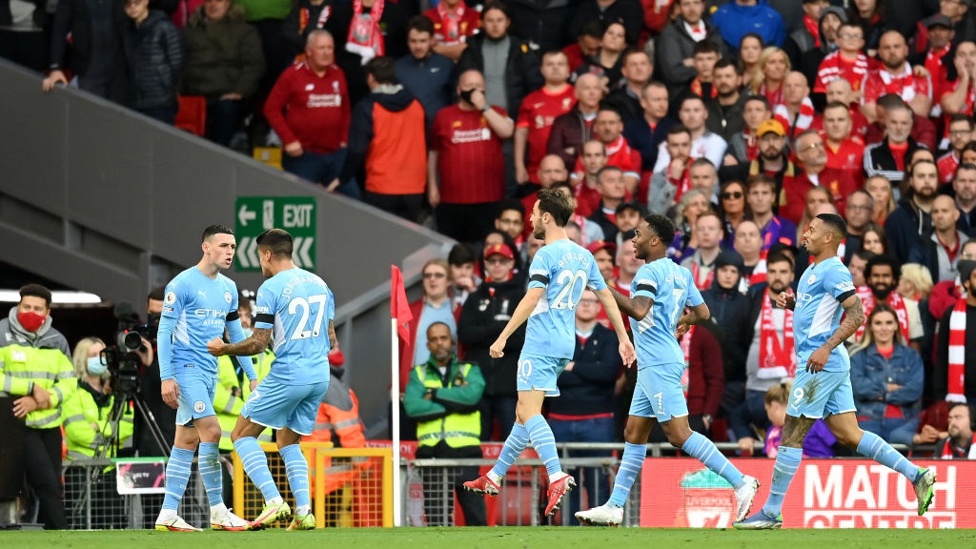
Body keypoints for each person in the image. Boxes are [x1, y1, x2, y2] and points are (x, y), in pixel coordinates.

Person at [734, 213, 936, 529]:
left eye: (812, 229)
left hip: (821, 364)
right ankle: (917, 474)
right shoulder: (812, 269)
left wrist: (825, 347)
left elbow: (856, 314)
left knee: (791, 432)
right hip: (829, 362)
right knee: (848, 433)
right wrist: (794, 305)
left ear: (829, 237)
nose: (806, 233)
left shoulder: (834, 270)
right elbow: (820, 312)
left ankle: (771, 511)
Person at [575, 214, 760, 527]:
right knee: (634, 432)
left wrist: (605, 288)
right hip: (655, 362)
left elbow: (638, 309)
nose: (633, 239)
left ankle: (741, 481)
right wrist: (685, 321)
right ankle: (615, 506)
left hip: (659, 361)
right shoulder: (680, 272)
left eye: (638, 233)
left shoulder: (649, 271)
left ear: (655, 240)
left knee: (679, 434)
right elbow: (703, 312)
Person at [462, 188, 636, 518]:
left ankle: (556, 475)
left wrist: (502, 336)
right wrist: (622, 338)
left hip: (540, 342)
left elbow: (531, 298)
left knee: (529, 413)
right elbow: (607, 297)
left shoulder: (545, 254)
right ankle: (495, 476)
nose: (529, 219)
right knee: (522, 413)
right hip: (564, 343)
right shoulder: (584, 255)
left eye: (533, 213)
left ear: (546, 217)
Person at [207, 228, 336, 530]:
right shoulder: (320, 283)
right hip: (320, 374)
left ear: (266, 254)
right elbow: (331, 337)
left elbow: (258, 343)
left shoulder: (272, 287)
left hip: (290, 372)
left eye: (259, 258)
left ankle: (273, 501)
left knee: (241, 434)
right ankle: (304, 511)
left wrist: (223, 348)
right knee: (288, 439)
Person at [153, 225, 259, 532]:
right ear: (206, 247)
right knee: (211, 432)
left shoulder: (228, 287)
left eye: (233, 247)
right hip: (185, 368)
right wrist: (166, 377)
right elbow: (164, 331)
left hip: (209, 372)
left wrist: (251, 376)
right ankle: (218, 510)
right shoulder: (182, 283)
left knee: (186, 441)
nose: (230, 252)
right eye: (224, 245)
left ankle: (168, 513)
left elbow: (235, 334)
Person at [0, 284, 76, 529]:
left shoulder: (57, 339)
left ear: (47, 311)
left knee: (53, 482)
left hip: (50, 423)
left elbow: (69, 381)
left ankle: (49, 533)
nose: (31, 312)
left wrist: (46, 399)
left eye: (37, 308)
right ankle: (61, 531)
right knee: (44, 481)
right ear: (18, 306)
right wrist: (30, 387)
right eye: (26, 306)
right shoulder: (1, 333)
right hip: (15, 423)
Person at [404, 322, 487, 526]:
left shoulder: (469, 369)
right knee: (436, 522)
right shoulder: (418, 373)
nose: (439, 343)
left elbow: (472, 397)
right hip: (431, 453)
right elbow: (413, 407)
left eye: (443, 338)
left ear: (452, 341)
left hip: (465, 452)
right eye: (434, 339)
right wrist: (455, 404)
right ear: (428, 344)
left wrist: (435, 395)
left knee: (476, 517)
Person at [550, 288, 622, 522]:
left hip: (597, 421)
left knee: (598, 482)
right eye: (582, 300)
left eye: (592, 301)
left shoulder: (609, 337)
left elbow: (609, 372)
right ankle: (566, 534)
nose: (587, 305)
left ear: (599, 306)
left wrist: (573, 366)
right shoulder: (558, 335)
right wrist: (591, 370)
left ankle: (600, 534)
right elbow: (552, 374)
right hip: (560, 420)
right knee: (565, 484)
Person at [428, 69, 514, 245]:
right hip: (451, 200)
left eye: (478, 86)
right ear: (459, 90)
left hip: (488, 199)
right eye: (468, 86)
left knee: (487, 248)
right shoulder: (443, 116)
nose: (473, 90)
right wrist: (432, 186)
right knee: (451, 249)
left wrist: (484, 107)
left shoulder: (496, 111)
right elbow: (434, 153)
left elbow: (506, 131)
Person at [264, 30, 354, 197]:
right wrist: (289, 140)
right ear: (309, 51)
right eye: (321, 48)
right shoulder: (292, 74)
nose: (326, 53)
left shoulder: (338, 73)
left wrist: (343, 140)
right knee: (300, 202)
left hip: (335, 154)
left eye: (330, 48)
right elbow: (271, 109)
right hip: (304, 155)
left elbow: (345, 110)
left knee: (355, 199)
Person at [337, 56, 426, 221]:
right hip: (414, 188)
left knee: (381, 242)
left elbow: (357, 150)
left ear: (370, 77)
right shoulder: (417, 105)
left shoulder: (367, 107)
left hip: (381, 187)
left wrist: (343, 178)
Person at [62, 337, 134, 529]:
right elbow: (77, 432)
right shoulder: (72, 391)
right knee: (80, 526)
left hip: (109, 471)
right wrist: (110, 430)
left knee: (111, 525)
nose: (99, 359)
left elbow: (127, 426)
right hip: (80, 469)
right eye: (93, 355)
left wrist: (98, 426)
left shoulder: (117, 392)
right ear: (81, 359)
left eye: (102, 355)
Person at [457, 242, 526, 442]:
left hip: (510, 386)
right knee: (478, 441)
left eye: (502, 261)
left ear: (511, 263)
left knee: (512, 442)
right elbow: (465, 334)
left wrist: (487, 334)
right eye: (492, 261)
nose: (497, 265)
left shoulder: (519, 297)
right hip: (478, 386)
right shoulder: (475, 297)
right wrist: (499, 329)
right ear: (485, 264)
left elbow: (521, 338)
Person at [180, 0, 265, 147]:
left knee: (225, 111)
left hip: (226, 95)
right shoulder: (190, 30)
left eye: (219, 1)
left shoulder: (244, 31)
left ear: (229, 4)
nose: (213, 5)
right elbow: (179, 63)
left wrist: (240, 91)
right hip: (194, 94)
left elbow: (254, 65)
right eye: (209, 1)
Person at [849, 304, 925, 443]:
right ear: (870, 327)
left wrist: (880, 394)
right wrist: (887, 388)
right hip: (866, 421)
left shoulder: (911, 356)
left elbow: (914, 391)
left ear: (896, 326)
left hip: (903, 423)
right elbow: (858, 388)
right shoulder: (858, 356)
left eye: (889, 323)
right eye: (878, 323)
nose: (884, 328)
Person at [120, 0, 185, 124]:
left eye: (137, 2)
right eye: (128, 4)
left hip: (160, 101)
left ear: (145, 2)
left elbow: (177, 62)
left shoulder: (164, 27)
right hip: (135, 100)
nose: (133, 7)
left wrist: (166, 87)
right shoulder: (127, 31)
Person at [395, 16, 456, 132]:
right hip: (409, 133)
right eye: (413, 41)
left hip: (440, 132)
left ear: (432, 40)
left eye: (423, 41)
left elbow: (455, 100)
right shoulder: (398, 67)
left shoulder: (446, 65)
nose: (418, 46)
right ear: (407, 41)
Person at [762, 381, 837, 458]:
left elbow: (838, 446)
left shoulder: (814, 423)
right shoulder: (772, 433)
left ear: (774, 406)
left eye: (767, 409)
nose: (768, 416)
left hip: (822, 468)